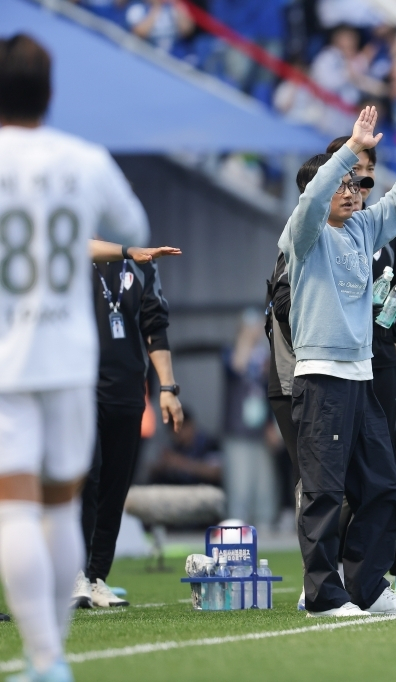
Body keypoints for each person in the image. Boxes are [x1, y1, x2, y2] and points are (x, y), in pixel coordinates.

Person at [0, 33, 149, 680]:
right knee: (61, 506)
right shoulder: (83, 159)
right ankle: (53, 657)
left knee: (15, 506)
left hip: (6, 359)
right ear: (50, 93)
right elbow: (135, 231)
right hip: (70, 357)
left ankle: (41, 655)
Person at [278, 103, 396, 618]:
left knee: (385, 484)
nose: (352, 192)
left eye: (360, 185)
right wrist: (350, 150)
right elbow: (316, 194)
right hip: (322, 376)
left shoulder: (362, 230)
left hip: (362, 374)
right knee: (323, 491)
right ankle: (323, 594)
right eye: (344, 184)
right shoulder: (305, 234)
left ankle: (366, 588)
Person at [72, 241, 183, 610]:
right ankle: (72, 573)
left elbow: (155, 324)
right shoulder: (76, 250)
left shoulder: (141, 265)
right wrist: (124, 250)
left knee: (115, 487)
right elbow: (78, 244)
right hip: (81, 385)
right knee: (86, 477)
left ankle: (95, 575)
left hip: (128, 389)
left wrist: (167, 388)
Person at [222, 310, 277, 529]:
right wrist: (246, 336)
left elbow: (270, 392)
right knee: (240, 483)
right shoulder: (229, 351)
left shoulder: (264, 356)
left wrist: (272, 425)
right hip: (237, 431)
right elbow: (238, 366)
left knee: (264, 483)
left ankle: (264, 523)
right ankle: (237, 525)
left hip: (261, 432)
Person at [148, 408, 222, 486]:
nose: (177, 433)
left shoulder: (209, 444)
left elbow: (215, 473)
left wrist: (180, 463)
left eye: (181, 427)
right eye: (172, 428)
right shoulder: (175, 447)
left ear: (190, 425)